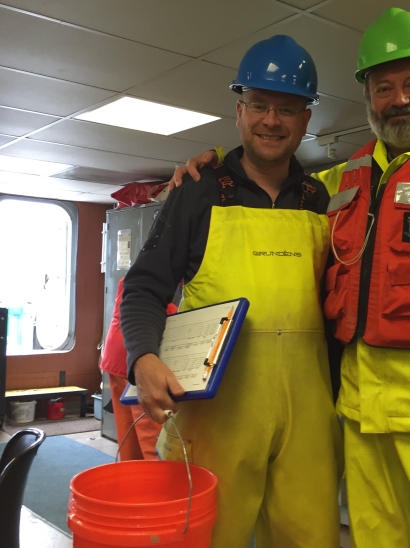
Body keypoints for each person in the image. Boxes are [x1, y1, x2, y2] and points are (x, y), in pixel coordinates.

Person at [173, 8, 410, 548]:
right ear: (368, 98)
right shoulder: (341, 185)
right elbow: (272, 180)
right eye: (383, 88)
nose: (398, 99)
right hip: (364, 425)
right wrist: (215, 167)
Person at [120, 35, 343, 548]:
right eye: (260, 105)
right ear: (239, 110)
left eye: (287, 109)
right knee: (206, 539)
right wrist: (143, 357)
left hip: (309, 421)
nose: (272, 120)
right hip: (215, 419)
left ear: (306, 119)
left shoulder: (321, 199)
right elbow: (144, 287)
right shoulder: (199, 188)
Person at [99, 277, 164, 461]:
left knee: (129, 434)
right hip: (138, 358)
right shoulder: (165, 277)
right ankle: (155, 484)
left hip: (117, 354)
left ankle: (133, 481)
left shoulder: (137, 274)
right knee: (151, 438)